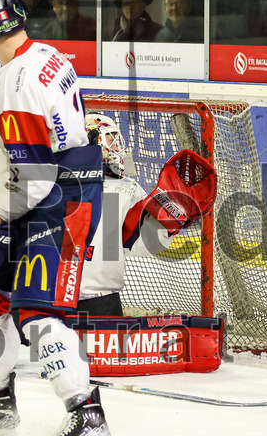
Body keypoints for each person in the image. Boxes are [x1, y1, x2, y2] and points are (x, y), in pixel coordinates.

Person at [0, 0, 112, 436]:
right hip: (44, 189)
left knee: (35, 311)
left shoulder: (15, 81)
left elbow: (36, 177)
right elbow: (29, 149)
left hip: (59, 202)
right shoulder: (46, 54)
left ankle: (87, 418)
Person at [75, 114, 213, 316]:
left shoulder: (126, 189)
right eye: (111, 140)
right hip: (54, 295)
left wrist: (167, 222)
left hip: (100, 297)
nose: (116, 148)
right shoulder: (55, 183)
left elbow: (140, 244)